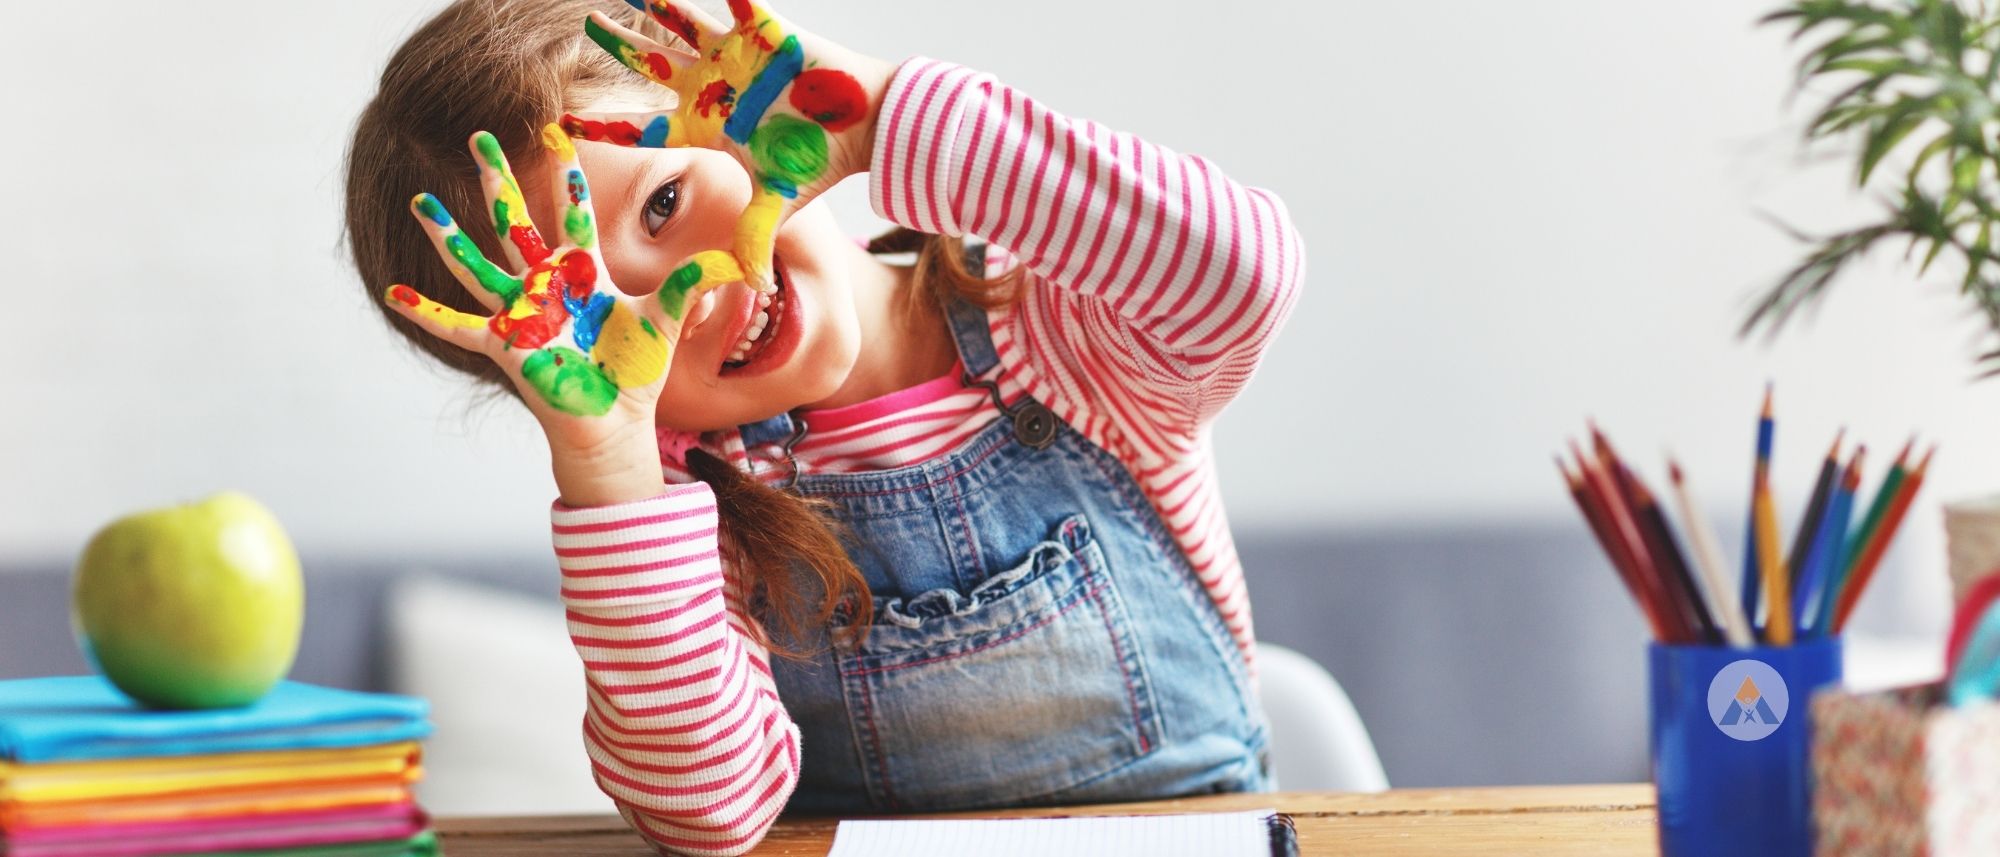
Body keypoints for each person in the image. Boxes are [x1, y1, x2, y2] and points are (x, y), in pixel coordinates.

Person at [345, 1, 1305, 854]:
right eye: (590, 318)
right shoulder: (684, 510)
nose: (686, 296)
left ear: (748, 117)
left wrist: (881, 114)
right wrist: (609, 460)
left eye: (664, 202)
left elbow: (1240, 276)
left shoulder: (1059, 333)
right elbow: (707, 814)